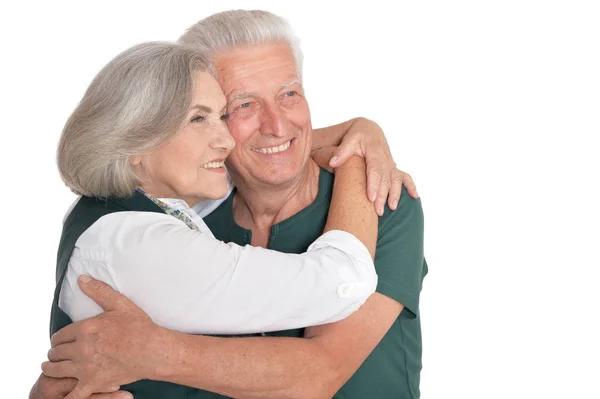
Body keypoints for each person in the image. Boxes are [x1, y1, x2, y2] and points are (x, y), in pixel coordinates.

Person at [35, 10, 426, 399]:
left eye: (289, 94)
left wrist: (358, 135)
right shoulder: (180, 228)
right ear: (139, 141)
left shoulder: (382, 202)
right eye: (240, 106)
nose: (276, 123)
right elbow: (342, 281)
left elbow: (320, 374)